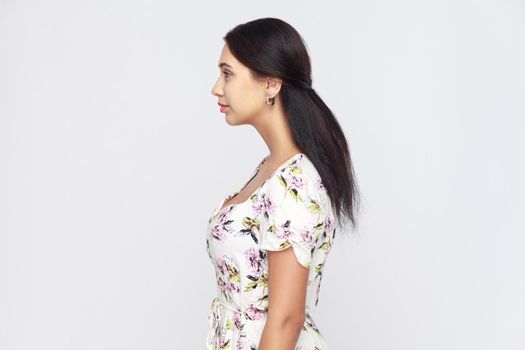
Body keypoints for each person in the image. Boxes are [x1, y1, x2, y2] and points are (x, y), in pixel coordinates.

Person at [205, 17, 360, 350]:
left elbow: (286, 319)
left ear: (271, 85)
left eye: (228, 74)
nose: (217, 87)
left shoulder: (296, 183)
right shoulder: (271, 169)